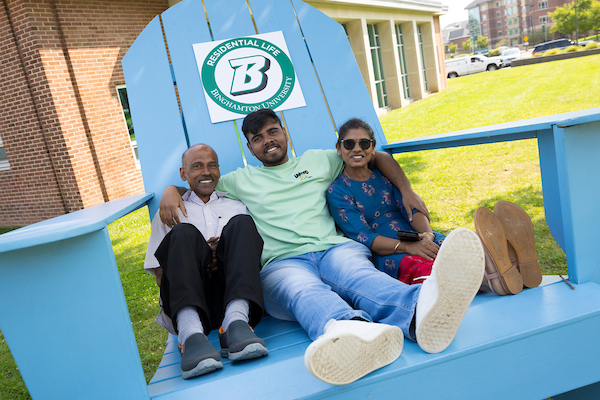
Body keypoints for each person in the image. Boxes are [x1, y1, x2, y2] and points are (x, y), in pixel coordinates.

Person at [160, 109, 485, 385]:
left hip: (333, 248)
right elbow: (196, 182)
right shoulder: (239, 181)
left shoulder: (320, 160)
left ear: (285, 133)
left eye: (273, 131)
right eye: (258, 138)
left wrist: (407, 189)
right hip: (282, 264)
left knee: (358, 276)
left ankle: (420, 312)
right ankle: (349, 331)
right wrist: (169, 192)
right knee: (302, 290)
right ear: (250, 147)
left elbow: (377, 156)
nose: (268, 140)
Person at [144, 144, 268, 380]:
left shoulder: (237, 206)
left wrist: (219, 255)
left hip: (230, 296)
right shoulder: (170, 212)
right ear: (183, 174)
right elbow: (162, 277)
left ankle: (235, 323)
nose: (206, 172)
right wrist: (199, 257)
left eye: (212, 165)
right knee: (182, 233)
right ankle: (190, 336)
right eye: (197, 166)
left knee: (242, 223)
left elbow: (251, 259)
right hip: (188, 301)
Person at [327, 118, 446, 285]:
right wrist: (409, 247)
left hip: (419, 238)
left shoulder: (384, 177)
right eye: (348, 144)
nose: (357, 149)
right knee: (431, 270)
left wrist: (428, 235)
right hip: (388, 252)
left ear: (373, 147)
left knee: (459, 249)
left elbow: (412, 209)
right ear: (338, 149)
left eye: (364, 143)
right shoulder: (338, 191)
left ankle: (490, 279)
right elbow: (365, 237)